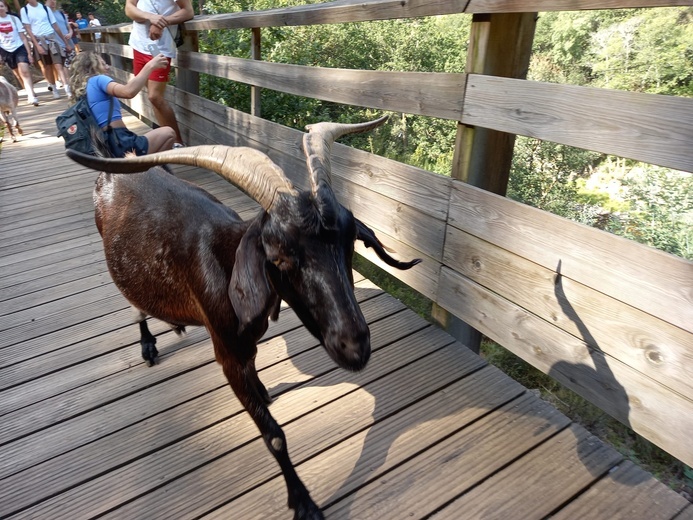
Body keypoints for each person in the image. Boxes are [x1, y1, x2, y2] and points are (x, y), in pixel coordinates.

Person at [68, 51, 176, 156]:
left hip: (103, 147)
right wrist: (150, 66)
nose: (108, 67)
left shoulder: (82, 91)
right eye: (103, 64)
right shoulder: (98, 79)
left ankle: (144, 169)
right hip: (120, 144)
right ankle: (145, 169)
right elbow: (128, 92)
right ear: (93, 67)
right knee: (169, 133)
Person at [125, 0, 193, 147]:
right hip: (138, 44)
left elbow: (188, 11)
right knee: (152, 97)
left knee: (155, 96)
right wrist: (149, 16)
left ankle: (177, 143)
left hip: (160, 47)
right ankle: (166, 139)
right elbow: (129, 7)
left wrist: (161, 22)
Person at [20, 0, 71, 98]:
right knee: (47, 66)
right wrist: (37, 45)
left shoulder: (45, 8)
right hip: (39, 40)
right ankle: (54, 88)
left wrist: (65, 43)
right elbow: (28, 29)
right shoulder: (25, 10)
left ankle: (67, 89)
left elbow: (55, 26)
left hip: (51, 39)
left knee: (58, 64)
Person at [0, 0, 39, 105]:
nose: (0, 8)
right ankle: (29, 91)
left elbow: (23, 37)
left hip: (18, 47)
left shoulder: (14, 19)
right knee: (17, 73)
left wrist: (29, 53)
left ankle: (31, 95)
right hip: (5, 49)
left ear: (6, 7)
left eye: (2, 6)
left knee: (24, 70)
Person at [46, 0, 74, 67]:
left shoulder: (61, 13)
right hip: (57, 44)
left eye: (54, 0)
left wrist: (70, 33)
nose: (53, 2)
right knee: (63, 65)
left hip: (69, 42)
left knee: (73, 64)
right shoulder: (45, 15)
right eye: (50, 0)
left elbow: (69, 27)